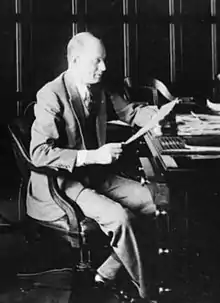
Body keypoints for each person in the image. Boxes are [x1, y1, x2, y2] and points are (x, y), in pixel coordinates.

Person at [27, 32, 159, 302]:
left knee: (158, 202)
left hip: (96, 176)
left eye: (104, 61)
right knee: (121, 218)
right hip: (63, 183)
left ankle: (105, 274)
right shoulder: (50, 95)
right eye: (97, 61)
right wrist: (91, 156)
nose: (104, 68)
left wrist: (157, 118)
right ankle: (147, 294)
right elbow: (39, 153)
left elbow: (131, 112)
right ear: (75, 61)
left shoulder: (101, 85)